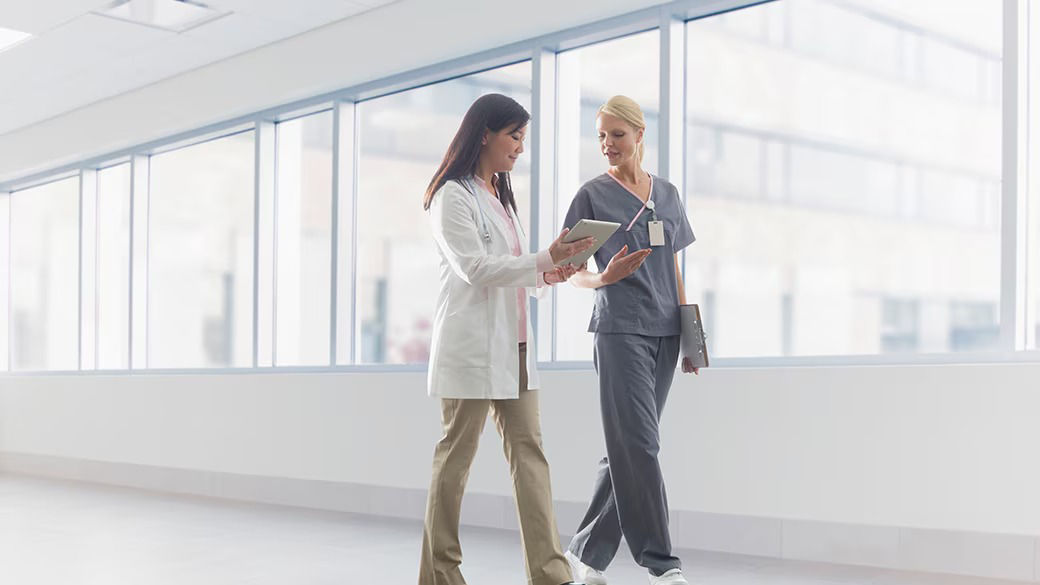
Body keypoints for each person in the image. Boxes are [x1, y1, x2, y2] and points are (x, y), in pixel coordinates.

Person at [418, 93, 595, 585]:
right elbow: (474, 269)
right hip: (471, 349)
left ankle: (551, 573)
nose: (520, 147)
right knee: (455, 462)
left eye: (523, 138)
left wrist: (553, 273)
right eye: (514, 136)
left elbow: (516, 272)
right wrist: (543, 259)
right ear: (484, 134)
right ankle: (440, 575)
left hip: (515, 348)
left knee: (531, 458)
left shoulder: (500, 196)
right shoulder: (451, 195)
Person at [561, 95, 698, 585]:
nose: (607, 145)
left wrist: (691, 338)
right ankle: (662, 565)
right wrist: (605, 277)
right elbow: (568, 273)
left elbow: (675, 267)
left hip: (664, 332)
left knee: (627, 447)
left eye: (616, 135)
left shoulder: (668, 194)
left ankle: (586, 555)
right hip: (619, 330)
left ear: (640, 136)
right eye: (600, 136)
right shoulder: (592, 196)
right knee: (639, 445)